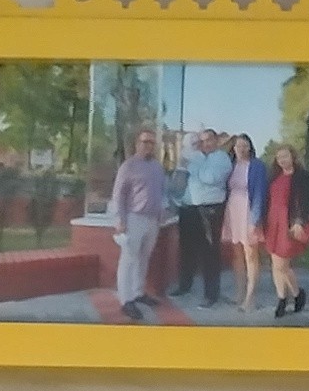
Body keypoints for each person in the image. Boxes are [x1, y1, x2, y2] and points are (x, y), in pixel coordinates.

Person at [108, 127, 177, 321]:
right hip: (133, 218)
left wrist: (163, 211)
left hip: (153, 220)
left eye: (152, 143)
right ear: (137, 144)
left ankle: (138, 292)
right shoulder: (128, 166)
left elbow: (162, 192)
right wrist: (119, 220)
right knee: (129, 259)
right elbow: (118, 195)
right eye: (145, 142)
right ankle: (126, 300)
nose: (149, 146)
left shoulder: (157, 167)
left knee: (144, 258)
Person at [263, 141, 309, 319]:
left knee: (282, 264)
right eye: (279, 157)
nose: (282, 160)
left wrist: (299, 221)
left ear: (293, 156)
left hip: (289, 222)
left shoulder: (302, 177)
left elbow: (305, 202)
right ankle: (285, 298)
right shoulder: (273, 176)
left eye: (285, 156)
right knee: (276, 264)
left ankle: (295, 294)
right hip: (273, 222)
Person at [179, 126, 232, 300]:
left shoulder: (222, 159)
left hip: (210, 209)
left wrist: (192, 167)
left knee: (209, 251)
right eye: (201, 141)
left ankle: (211, 294)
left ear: (216, 141)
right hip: (189, 207)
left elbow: (211, 178)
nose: (205, 144)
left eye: (208, 140)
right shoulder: (196, 156)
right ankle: (184, 285)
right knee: (187, 249)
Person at [221, 134, 266, 311]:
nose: (241, 149)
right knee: (237, 254)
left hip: (248, 210)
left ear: (250, 147)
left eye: (245, 146)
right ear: (233, 148)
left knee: (251, 254)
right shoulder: (230, 165)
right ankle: (239, 293)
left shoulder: (257, 166)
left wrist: (255, 219)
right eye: (238, 146)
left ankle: (250, 297)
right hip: (232, 210)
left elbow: (260, 192)